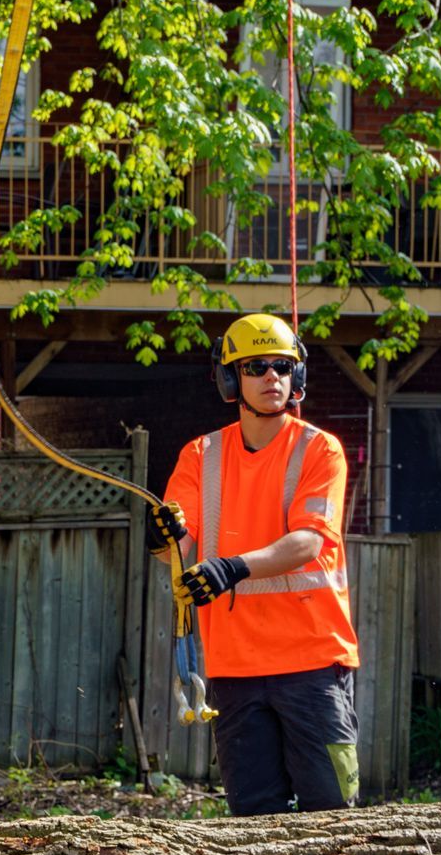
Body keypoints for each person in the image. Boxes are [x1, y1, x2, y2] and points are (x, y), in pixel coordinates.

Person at [149, 312, 360, 815]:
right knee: (254, 823)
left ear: (298, 377)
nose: (273, 378)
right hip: (234, 668)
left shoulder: (319, 449)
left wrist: (231, 568)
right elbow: (178, 550)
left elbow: (308, 542)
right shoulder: (200, 454)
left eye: (284, 367)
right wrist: (164, 539)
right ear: (230, 379)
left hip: (312, 663)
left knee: (332, 814)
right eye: (258, 367)